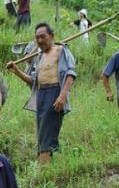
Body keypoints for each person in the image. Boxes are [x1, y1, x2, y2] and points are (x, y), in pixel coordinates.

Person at [7, 22, 76, 164]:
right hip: (41, 95)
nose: (39, 40)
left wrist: (62, 96)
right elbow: (33, 82)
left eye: (43, 37)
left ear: (51, 36)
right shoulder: (39, 57)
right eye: (37, 38)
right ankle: (45, 169)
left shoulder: (61, 50)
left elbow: (70, 73)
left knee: (46, 135)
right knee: (42, 134)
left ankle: (41, 172)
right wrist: (16, 71)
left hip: (55, 93)